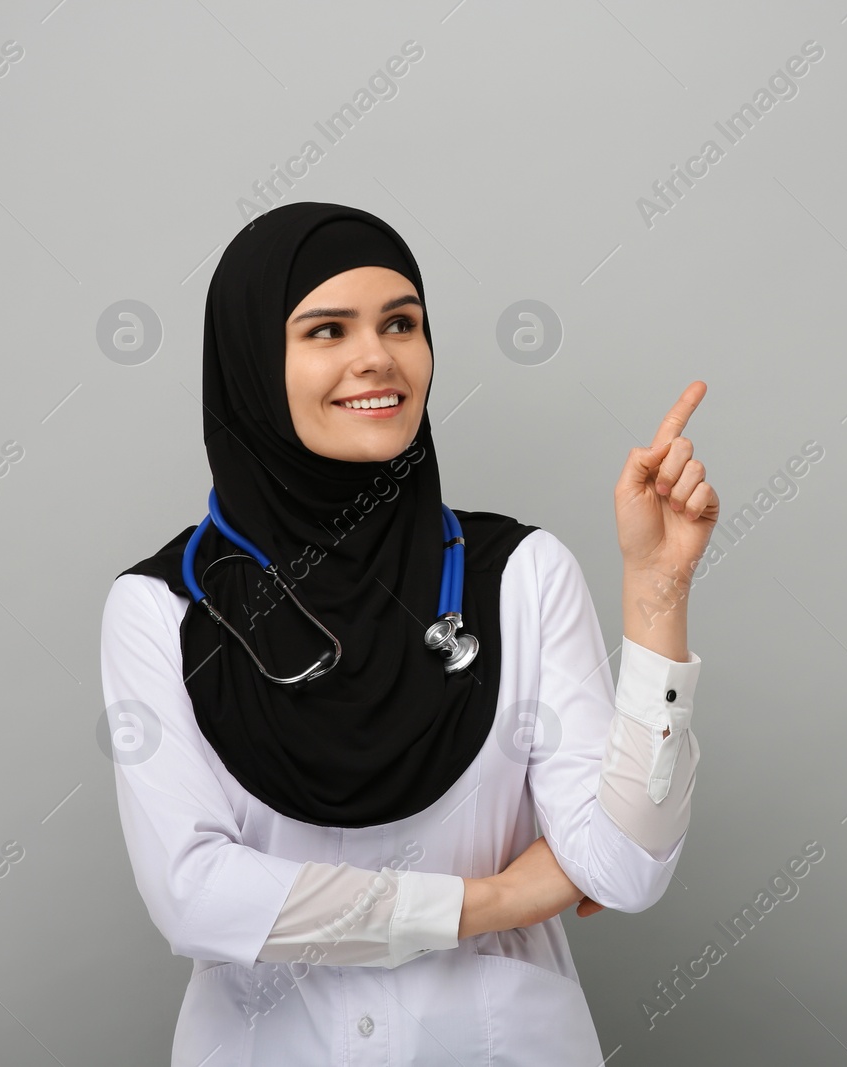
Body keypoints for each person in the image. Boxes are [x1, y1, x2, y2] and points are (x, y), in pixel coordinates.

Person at [99, 201, 719, 1064]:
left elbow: (622, 868)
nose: (378, 358)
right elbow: (194, 894)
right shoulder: (163, 608)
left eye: (402, 322)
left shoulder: (520, 573)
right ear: (251, 362)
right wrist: (494, 899)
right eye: (325, 330)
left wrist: (659, 595)